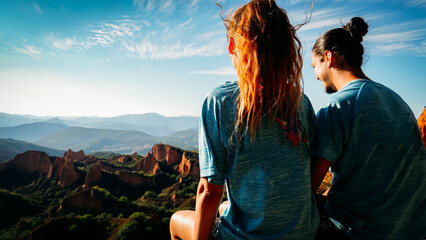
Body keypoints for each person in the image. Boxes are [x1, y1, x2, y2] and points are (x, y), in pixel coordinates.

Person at [170, 0, 319, 239]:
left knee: (176, 221)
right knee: (224, 207)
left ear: (232, 45)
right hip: (303, 232)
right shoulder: (300, 101)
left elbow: (209, 191)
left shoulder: (220, 102)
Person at [310, 17, 426, 240]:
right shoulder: (397, 100)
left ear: (328, 58)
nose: (315, 74)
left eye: (314, 66)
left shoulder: (338, 106)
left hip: (361, 232)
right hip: (411, 230)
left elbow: (308, 186)